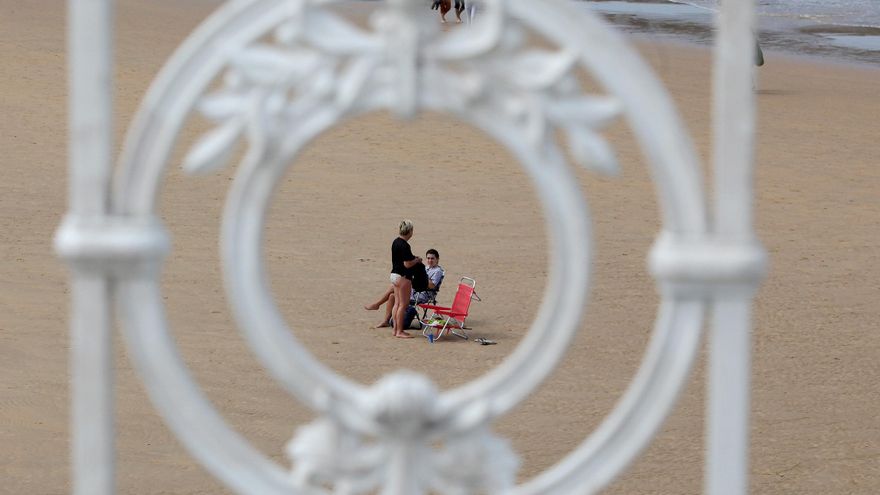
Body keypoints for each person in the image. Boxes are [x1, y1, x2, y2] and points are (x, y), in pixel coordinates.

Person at [364, 249, 444, 330]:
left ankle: (377, 304)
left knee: (394, 288)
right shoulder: (426, 268)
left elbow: (432, 286)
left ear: (437, 259)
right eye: (428, 258)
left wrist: (420, 277)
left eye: (432, 258)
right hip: (415, 290)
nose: (430, 260)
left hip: (423, 294)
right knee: (392, 294)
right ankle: (385, 321)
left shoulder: (438, 271)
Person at [388, 220, 421, 338]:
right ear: (410, 231)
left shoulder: (395, 242)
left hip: (394, 275)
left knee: (397, 304)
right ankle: (399, 331)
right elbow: (407, 264)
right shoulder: (405, 245)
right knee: (403, 305)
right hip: (403, 277)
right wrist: (416, 260)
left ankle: (395, 330)